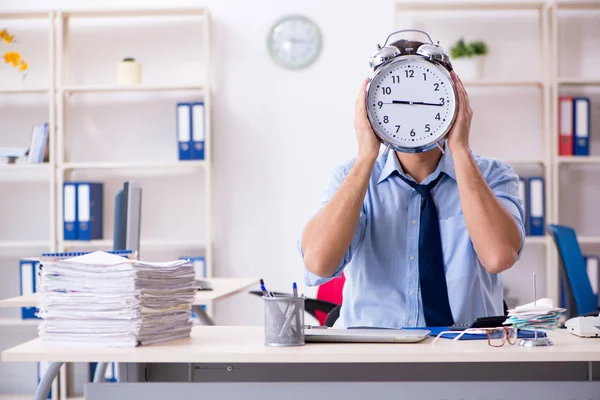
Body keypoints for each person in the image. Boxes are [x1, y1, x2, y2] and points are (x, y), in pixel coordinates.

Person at [297, 39, 526, 329]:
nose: (412, 108)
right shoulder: (350, 178)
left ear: (456, 101)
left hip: (464, 351)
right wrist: (367, 155)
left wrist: (460, 150)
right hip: (373, 355)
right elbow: (318, 262)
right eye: (397, 98)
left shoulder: (493, 174)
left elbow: (498, 257)